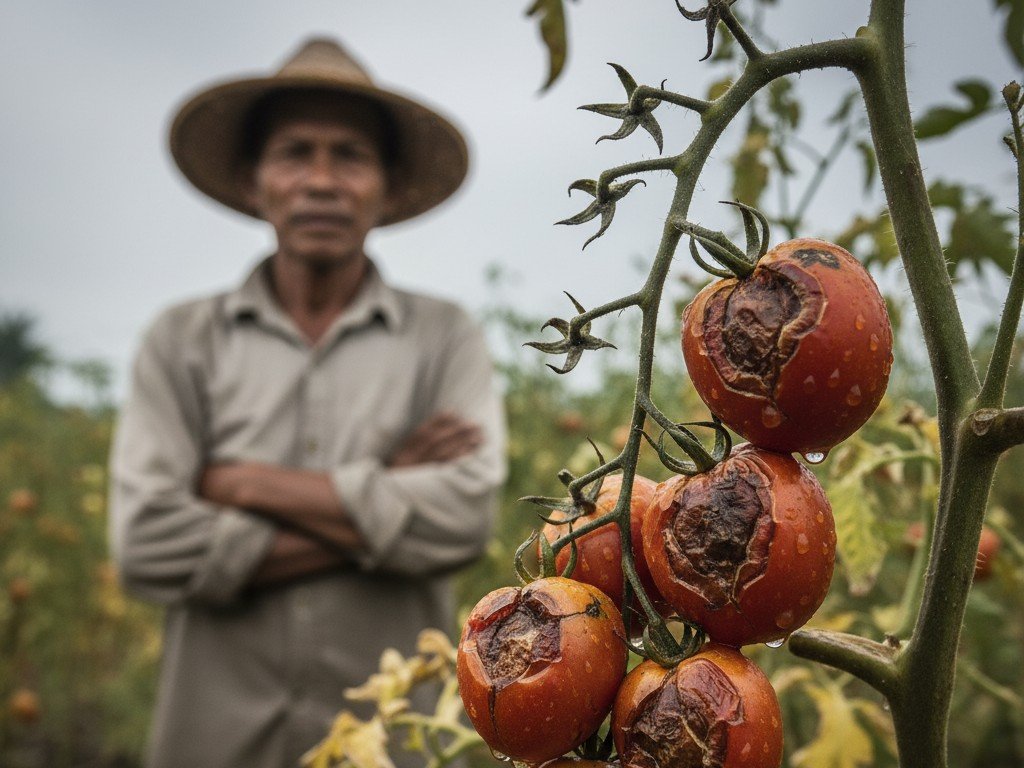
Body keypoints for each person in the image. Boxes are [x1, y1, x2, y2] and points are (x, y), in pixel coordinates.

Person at [108, 37, 506, 768]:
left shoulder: (443, 337)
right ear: (253, 180)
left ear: (387, 186)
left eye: (349, 156)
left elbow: (463, 520)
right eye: (295, 153)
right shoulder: (181, 340)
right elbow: (145, 548)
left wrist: (242, 485)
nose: (321, 180)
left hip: (394, 742)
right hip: (212, 742)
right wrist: (384, 495)